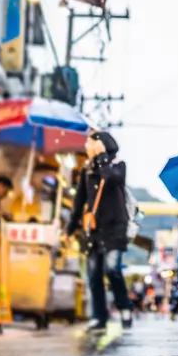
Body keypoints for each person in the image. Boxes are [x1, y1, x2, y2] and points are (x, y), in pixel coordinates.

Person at [66, 131, 133, 332]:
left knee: (112, 269)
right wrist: (70, 229)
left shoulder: (117, 164)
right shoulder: (87, 168)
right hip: (94, 230)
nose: (86, 147)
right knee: (94, 274)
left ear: (100, 144)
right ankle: (99, 317)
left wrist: (102, 157)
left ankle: (124, 307)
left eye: (89, 144)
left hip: (115, 227)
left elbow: (112, 179)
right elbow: (80, 200)